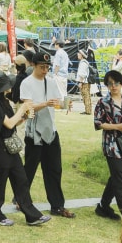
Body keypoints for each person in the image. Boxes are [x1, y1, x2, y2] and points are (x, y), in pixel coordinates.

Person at [0, 74, 46, 226]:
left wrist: (24, 116)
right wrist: (22, 108)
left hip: (10, 149)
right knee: (0, 182)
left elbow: (14, 122)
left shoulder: (5, 102)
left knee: (21, 180)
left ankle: (32, 215)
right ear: (3, 88)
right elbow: (9, 124)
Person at [20, 51, 73, 218]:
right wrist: (45, 104)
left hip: (51, 131)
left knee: (54, 169)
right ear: (34, 65)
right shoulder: (26, 83)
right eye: (42, 67)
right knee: (30, 168)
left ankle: (57, 206)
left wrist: (65, 105)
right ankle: (20, 199)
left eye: (47, 67)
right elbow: (27, 108)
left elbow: (56, 103)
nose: (45, 70)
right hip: (34, 132)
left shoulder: (50, 82)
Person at [93, 68, 122, 219]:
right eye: (110, 84)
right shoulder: (103, 102)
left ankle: (103, 207)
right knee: (119, 180)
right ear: (107, 85)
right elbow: (99, 123)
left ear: (121, 84)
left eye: (116, 83)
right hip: (111, 144)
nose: (114, 86)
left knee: (117, 176)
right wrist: (117, 127)